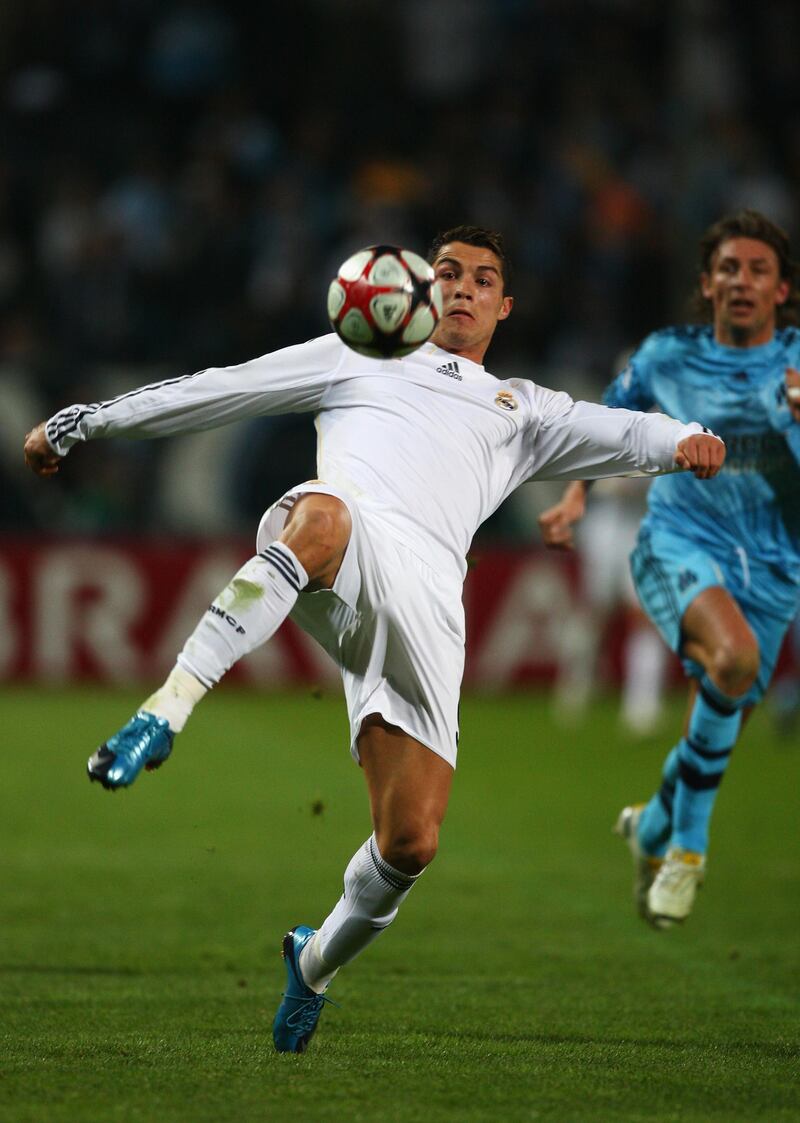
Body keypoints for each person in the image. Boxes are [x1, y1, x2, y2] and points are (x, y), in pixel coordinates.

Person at [24, 225, 724, 1051]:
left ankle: (312, 964)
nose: (462, 288)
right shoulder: (357, 354)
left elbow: (625, 431)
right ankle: (166, 709)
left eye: (482, 279)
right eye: (449, 274)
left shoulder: (522, 408)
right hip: (351, 549)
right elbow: (217, 388)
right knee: (317, 513)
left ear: (505, 304)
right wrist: (81, 424)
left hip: (430, 609)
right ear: (420, 293)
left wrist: (686, 440)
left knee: (410, 841)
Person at [539, 209, 800, 929]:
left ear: (782, 290)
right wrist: (574, 493)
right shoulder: (666, 355)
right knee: (736, 657)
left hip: (776, 566)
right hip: (680, 539)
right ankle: (685, 849)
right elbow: (605, 420)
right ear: (706, 283)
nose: (741, 280)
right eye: (728, 268)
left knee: (724, 704)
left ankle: (652, 823)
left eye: (758, 270)